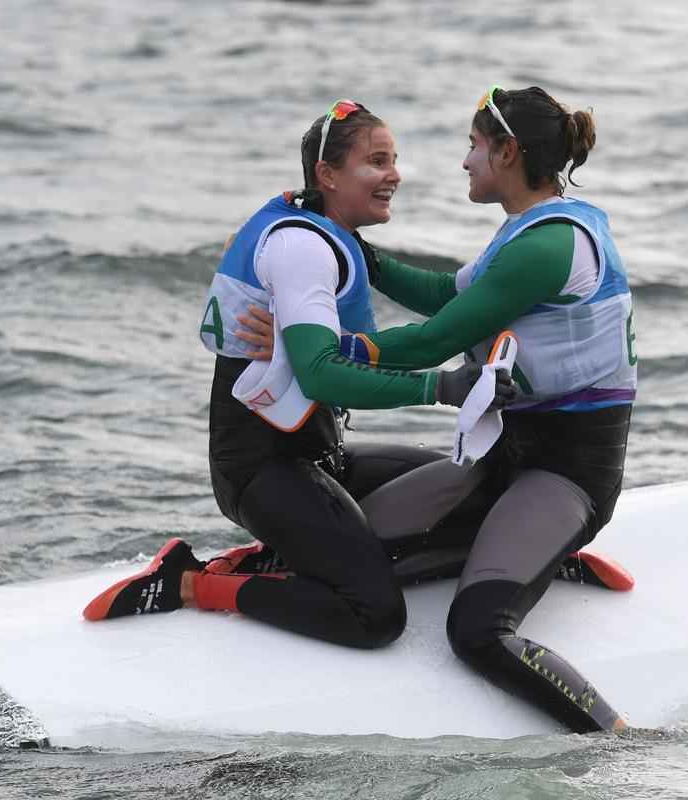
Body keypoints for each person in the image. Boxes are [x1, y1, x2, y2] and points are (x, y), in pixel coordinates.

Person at [82, 100, 514, 650]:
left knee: (472, 490)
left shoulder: (337, 237)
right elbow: (321, 377)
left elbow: (430, 303)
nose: (394, 175)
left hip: (319, 458)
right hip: (264, 471)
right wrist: (441, 388)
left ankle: (284, 558)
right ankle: (192, 583)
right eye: (377, 161)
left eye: (394, 160)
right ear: (327, 175)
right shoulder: (303, 247)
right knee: (376, 615)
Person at [311, 86, 638, 733]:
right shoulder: (526, 231)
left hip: (564, 478)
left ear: (509, 152)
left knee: (477, 632)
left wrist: (323, 350)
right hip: (502, 464)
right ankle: (520, 548)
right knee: (349, 545)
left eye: (474, 146)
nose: (465, 161)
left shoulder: (548, 248)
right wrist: (349, 246)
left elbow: (436, 340)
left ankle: (624, 740)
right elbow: (441, 295)